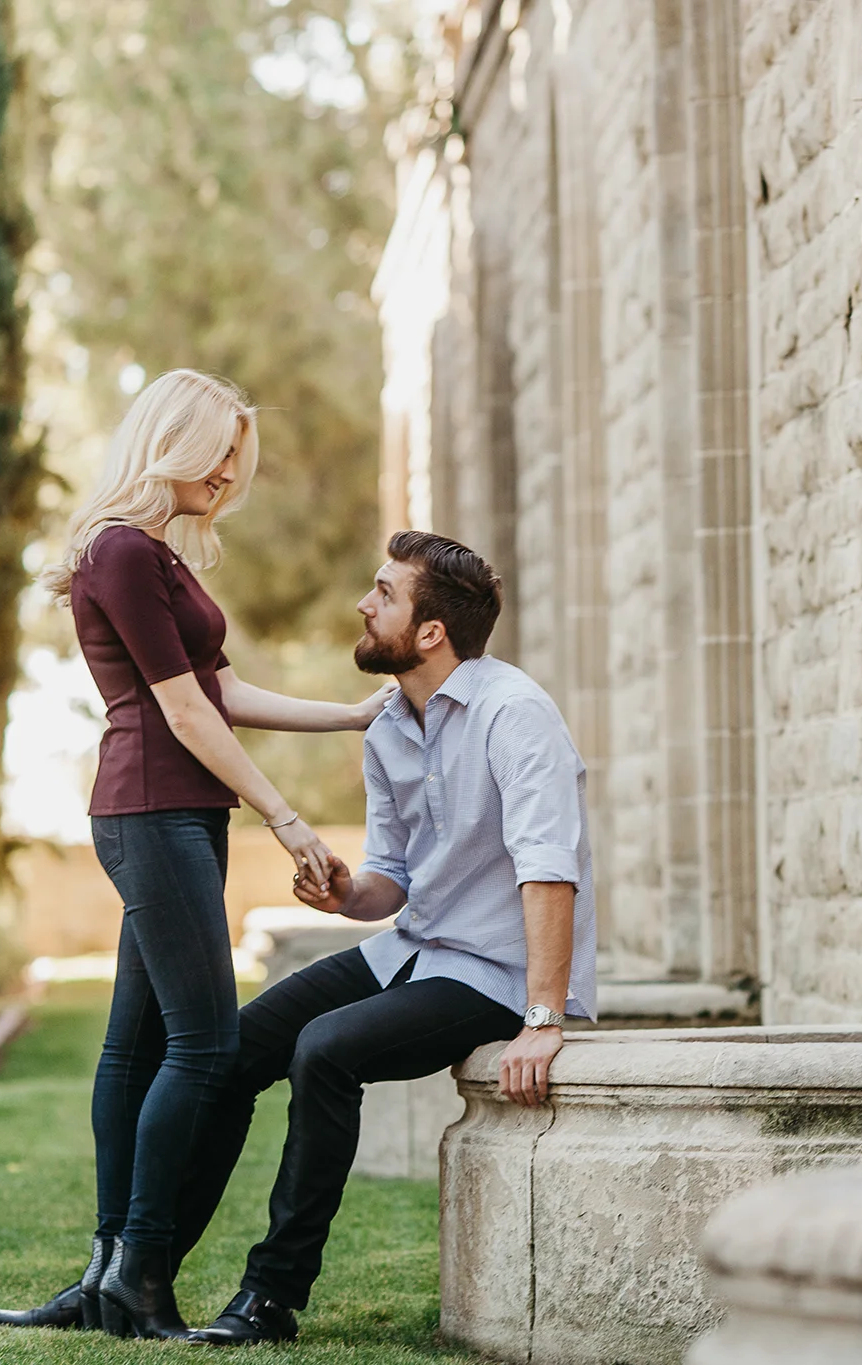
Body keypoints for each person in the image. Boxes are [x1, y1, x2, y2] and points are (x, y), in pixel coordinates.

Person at [0, 370, 392, 1339]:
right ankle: (137, 1277)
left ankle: (103, 1277)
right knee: (204, 1047)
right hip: (153, 809)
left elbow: (222, 687)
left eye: (237, 459)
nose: (228, 474)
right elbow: (179, 710)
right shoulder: (122, 551)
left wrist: (344, 716)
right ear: (173, 441)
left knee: (136, 1048)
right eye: (221, 452)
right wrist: (287, 818)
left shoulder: (151, 554)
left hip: (174, 813)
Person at [170, 530, 597, 1347]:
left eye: (384, 593)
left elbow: (550, 870)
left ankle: (271, 1295)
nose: (365, 604)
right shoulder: (390, 728)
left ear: (431, 631)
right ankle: (145, 1269)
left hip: (492, 973)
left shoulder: (517, 715)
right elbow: (391, 878)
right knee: (235, 1047)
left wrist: (543, 1019)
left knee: (325, 1050)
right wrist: (343, 894)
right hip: (411, 947)